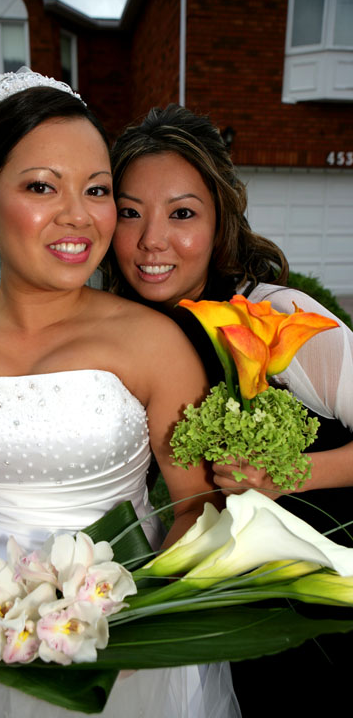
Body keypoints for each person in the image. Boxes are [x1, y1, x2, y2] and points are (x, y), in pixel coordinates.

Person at [0, 72, 239, 718]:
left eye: (96, 190)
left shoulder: (155, 345)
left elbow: (196, 507)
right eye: (42, 186)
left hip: (120, 643)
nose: (77, 215)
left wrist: (142, 610)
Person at [106, 104, 353, 716]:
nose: (150, 241)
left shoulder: (283, 318)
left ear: (221, 222)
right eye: (130, 213)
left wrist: (292, 473)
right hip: (212, 610)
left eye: (182, 213)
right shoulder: (118, 330)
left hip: (321, 610)